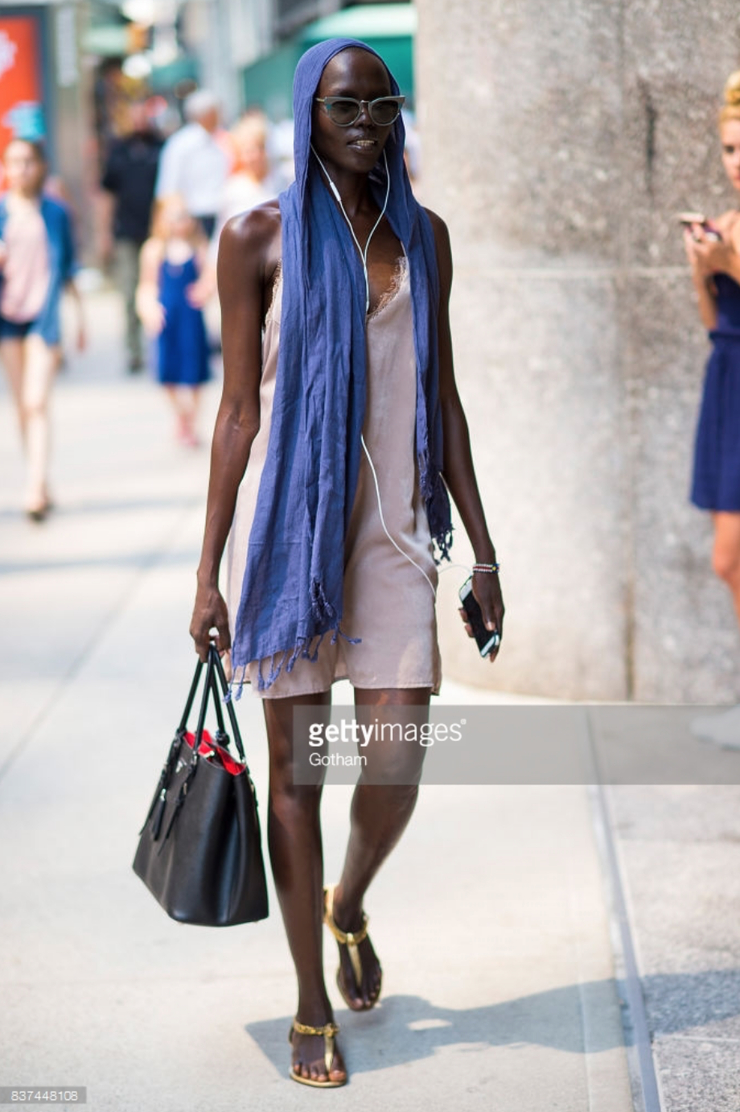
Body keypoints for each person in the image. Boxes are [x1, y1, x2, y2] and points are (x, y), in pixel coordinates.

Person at [189, 39, 504, 1087]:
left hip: (394, 531)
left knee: (398, 752)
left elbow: (444, 400)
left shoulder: (423, 236)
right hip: (288, 535)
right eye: (342, 105)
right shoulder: (256, 237)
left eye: (381, 100)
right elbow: (237, 413)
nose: (365, 119)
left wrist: (483, 548)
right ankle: (308, 1000)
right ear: (304, 114)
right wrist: (206, 573)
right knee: (297, 776)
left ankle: (349, 901)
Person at [686, 70, 740, 746]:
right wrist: (703, 268)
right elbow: (711, 321)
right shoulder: (724, 221)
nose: (736, 161)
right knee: (729, 558)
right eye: (729, 148)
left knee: (730, 557)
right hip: (726, 376)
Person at [0, 138, 85, 521]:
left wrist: (80, 319)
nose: (21, 169)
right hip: (8, 317)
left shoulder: (57, 213)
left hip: (44, 317)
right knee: (22, 406)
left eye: (27, 161)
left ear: (40, 166)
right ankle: (40, 478)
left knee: (36, 401)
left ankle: (34, 486)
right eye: (13, 162)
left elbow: (68, 268)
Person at [136, 194, 211, 447]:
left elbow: (210, 278)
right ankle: (182, 416)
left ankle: (191, 422)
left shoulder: (198, 247)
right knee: (166, 371)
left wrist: (205, 289)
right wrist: (148, 309)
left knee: (194, 373)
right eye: (172, 216)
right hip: (167, 318)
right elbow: (146, 285)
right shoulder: (154, 249)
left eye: (183, 216)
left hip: (191, 318)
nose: (179, 222)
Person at [100, 99, 163, 372]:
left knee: (160, 291)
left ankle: (161, 348)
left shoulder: (161, 147)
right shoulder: (118, 150)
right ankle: (134, 350)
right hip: (126, 232)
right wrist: (104, 233)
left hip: (156, 232)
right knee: (129, 292)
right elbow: (106, 196)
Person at [154, 90, 228, 240]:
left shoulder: (217, 140)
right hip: (193, 220)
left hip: (218, 214)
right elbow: (168, 188)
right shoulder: (181, 144)